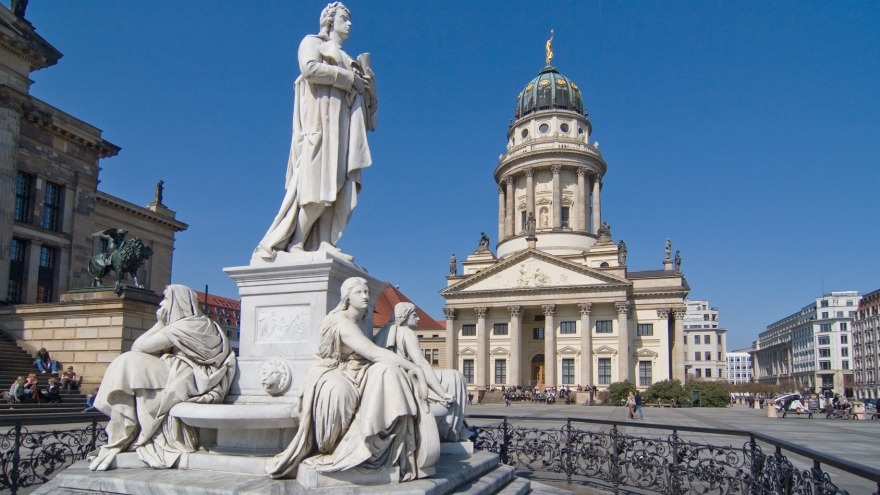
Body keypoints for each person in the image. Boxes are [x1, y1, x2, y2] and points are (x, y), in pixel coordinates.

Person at [266, 277, 438, 480]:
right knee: (340, 392)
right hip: (332, 372)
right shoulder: (341, 322)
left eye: (367, 292)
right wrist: (413, 367)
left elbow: (372, 355)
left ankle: (378, 444)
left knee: (389, 372)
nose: (366, 296)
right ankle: (337, 448)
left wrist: (406, 368)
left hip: (357, 370)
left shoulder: (362, 320)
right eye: (360, 293)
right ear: (347, 297)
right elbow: (373, 352)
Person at [256, 2, 377, 262]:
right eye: (345, 18)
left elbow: (370, 114)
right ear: (329, 21)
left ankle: (324, 241)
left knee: (339, 186)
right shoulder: (312, 42)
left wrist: (368, 85)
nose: (350, 23)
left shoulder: (352, 61)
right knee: (317, 186)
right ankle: (297, 241)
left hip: (343, 129)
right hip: (321, 126)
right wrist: (348, 79)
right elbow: (309, 68)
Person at [88, 285, 237, 471]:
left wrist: (160, 323)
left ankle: (126, 430)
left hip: (191, 378)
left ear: (177, 302)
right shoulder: (204, 323)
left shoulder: (184, 326)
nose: (161, 303)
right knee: (129, 365)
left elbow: (139, 347)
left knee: (127, 363)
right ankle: (127, 430)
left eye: (165, 299)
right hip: (193, 376)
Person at [374, 302, 468, 442]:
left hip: (395, 376)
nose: (418, 319)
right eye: (414, 315)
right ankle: (449, 431)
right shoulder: (407, 332)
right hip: (408, 376)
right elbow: (422, 363)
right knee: (455, 377)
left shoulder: (383, 332)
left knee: (451, 376)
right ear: (405, 316)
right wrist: (442, 393)